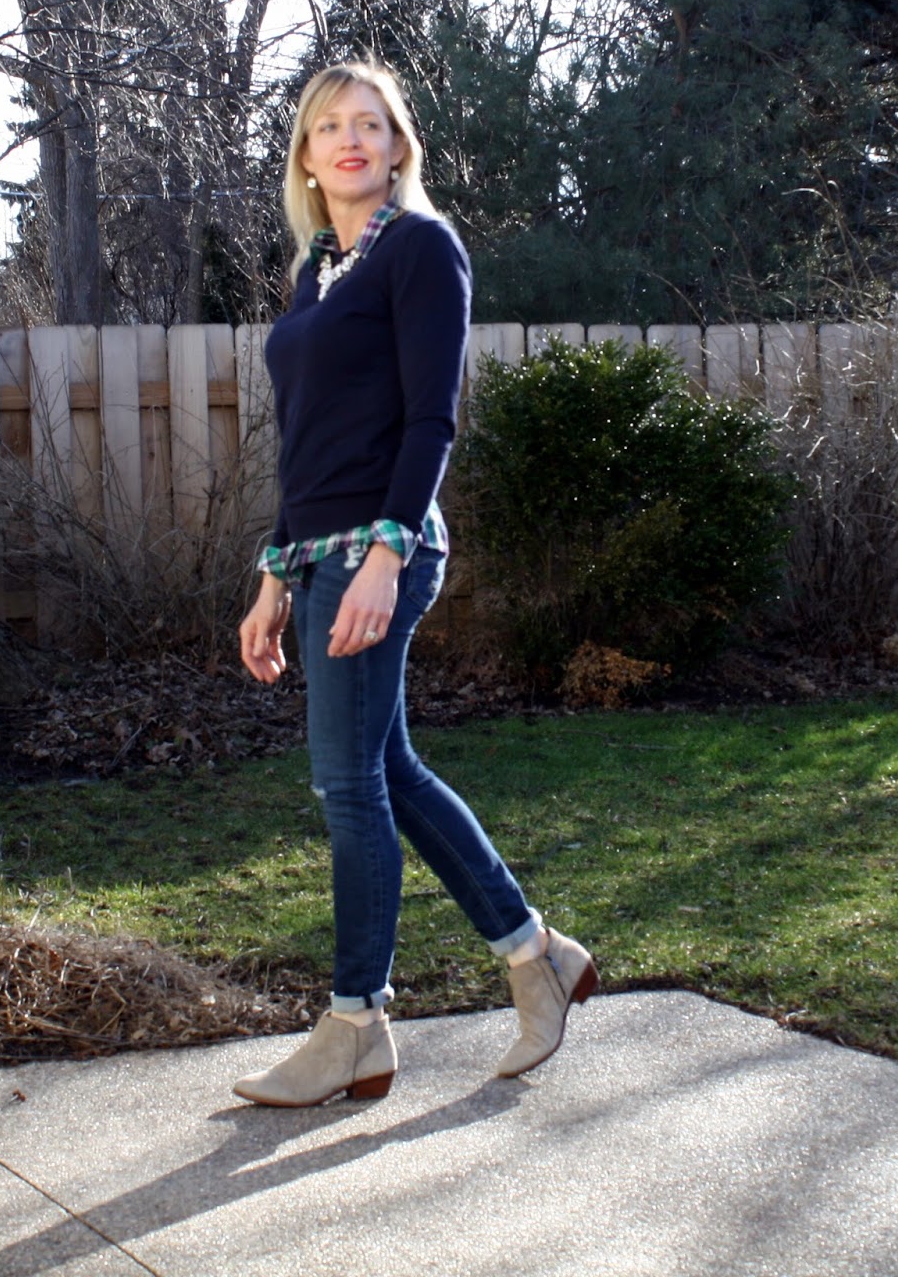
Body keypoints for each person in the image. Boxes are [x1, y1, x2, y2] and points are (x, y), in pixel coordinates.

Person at [233, 61, 598, 1107]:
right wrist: (273, 572)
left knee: (346, 786)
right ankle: (539, 958)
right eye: (329, 127)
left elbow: (430, 418)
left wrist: (386, 554)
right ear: (307, 155)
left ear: (399, 146)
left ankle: (356, 1020)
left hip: (380, 547)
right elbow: (309, 444)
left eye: (372, 124)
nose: (351, 140)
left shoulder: (423, 250)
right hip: (319, 550)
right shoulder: (318, 271)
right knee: (384, 771)